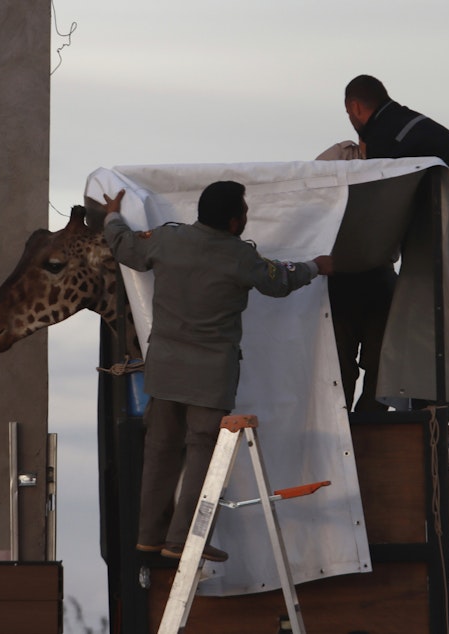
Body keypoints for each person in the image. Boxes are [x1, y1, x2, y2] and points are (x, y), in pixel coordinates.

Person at [102, 181, 333, 562]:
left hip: (164, 371)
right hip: (209, 378)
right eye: (243, 211)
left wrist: (112, 214)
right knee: (200, 457)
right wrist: (315, 266)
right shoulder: (240, 258)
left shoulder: (166, 240)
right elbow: (280, 281)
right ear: (232, 222)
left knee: (159, 452)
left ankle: (148, 536)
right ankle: (181, 539)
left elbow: (124, 246)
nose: (246, 217)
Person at [344, 74, 449, 316]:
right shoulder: (409, 123)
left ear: (355, 107)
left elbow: (383, 208)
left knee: (418, 325)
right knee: (443, 329)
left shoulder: (385, 137)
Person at [316, 138, 397, 413]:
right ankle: (341, 428)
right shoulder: (341, 155)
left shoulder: (400, 158)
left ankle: (370, 425)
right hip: (340, 277)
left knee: (381, 363)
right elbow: (309, 188)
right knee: (339, 365)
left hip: (379, 278)